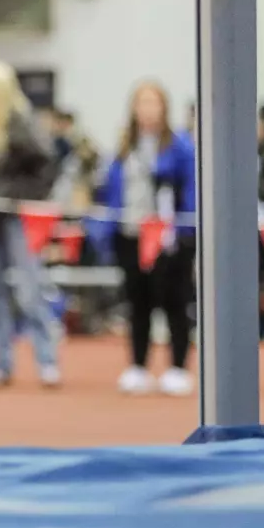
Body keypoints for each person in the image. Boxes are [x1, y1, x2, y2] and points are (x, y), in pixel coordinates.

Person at [0, 61, 62, 388]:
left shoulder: (21, 123)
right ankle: (1, 361)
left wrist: (18, 196)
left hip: (17, 218)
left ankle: (47, 360)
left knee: (30, 289)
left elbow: (46, 166)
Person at [102, 81, 196, 397]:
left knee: (175, 302)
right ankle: (138, 366)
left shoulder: (179, 146)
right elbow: (112, 189)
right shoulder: (123, 146)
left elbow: (190, 189)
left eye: (153, 102)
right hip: (131, 233)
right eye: (141, 102)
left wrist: (186, 231)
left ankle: (178, 367)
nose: (147, 109)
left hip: (170, 238)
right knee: (137, 302)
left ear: (164, 108)